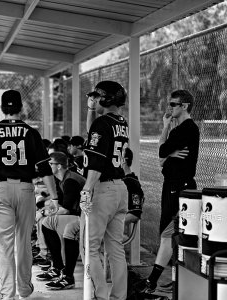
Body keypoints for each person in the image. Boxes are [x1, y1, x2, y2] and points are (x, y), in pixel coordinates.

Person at [0, 89, 59, 300]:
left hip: (0, 189)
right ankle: (24, 288)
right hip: (25, 189)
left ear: (2, 109)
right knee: (23, 242)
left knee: (4, 244)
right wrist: (55, 197)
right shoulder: (30, 132)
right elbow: (45, 168)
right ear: (20, 108)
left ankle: (7, 293)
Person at [137, 89, 199, 294]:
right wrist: (165, 129)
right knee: (172, 235)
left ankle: (151, 281)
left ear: (185, 106)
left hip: (180, 187)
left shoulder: (186, 128)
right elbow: (162, 157)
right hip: (171, 186)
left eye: (173, 104)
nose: (169, 108)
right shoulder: (176, 129)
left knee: (168, 234)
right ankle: (176, 279)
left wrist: (168, 148)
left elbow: (162, 151)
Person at [80, 80, 129, 300]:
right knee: (115, 248)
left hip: (102, 188)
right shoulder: (120, 121)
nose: (94, 100)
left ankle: (100, 295)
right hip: (120, 188)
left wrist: (87, 189)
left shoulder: (103, 124)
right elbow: (93, 136)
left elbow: (96, 162)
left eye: (97, 97)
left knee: (89, 247)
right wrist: (91, 109)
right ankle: (118, 296)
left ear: (107, 99)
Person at [35, 151, 85, 290]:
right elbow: (59, 204)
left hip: (84, 217)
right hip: (77, 215)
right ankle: (57, 267)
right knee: (46, 223)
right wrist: (44, 210)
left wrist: (45, 212)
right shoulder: (61, 179)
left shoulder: (70, 180)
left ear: (59, 166)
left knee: (49, 222)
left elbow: (67, 209)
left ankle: (67, 275)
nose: (48, 165)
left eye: (51, 163)